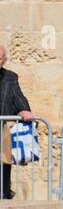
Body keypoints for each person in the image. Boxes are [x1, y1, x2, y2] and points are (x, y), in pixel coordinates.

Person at [0, 44, 34, 200]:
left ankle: (3, 196)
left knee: (4, 166)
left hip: (3, 129)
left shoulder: (10, 77)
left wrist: (24, 110)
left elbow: (18, 97)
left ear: (4, 60)